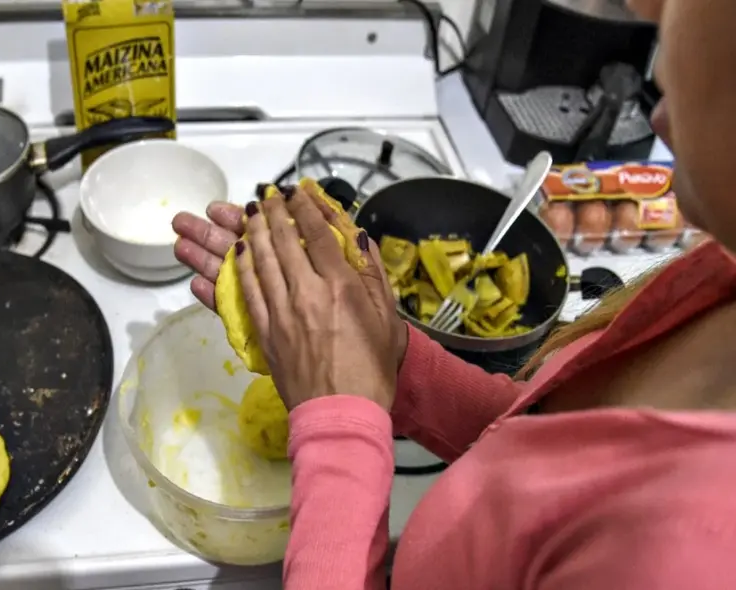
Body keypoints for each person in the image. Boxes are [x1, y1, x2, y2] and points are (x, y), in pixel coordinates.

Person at [172, 1, 736, 588]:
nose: (648, 6)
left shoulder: (693, 556)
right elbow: (539, 462)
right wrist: (396, 361)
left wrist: (340, 424)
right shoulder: (719, 280)